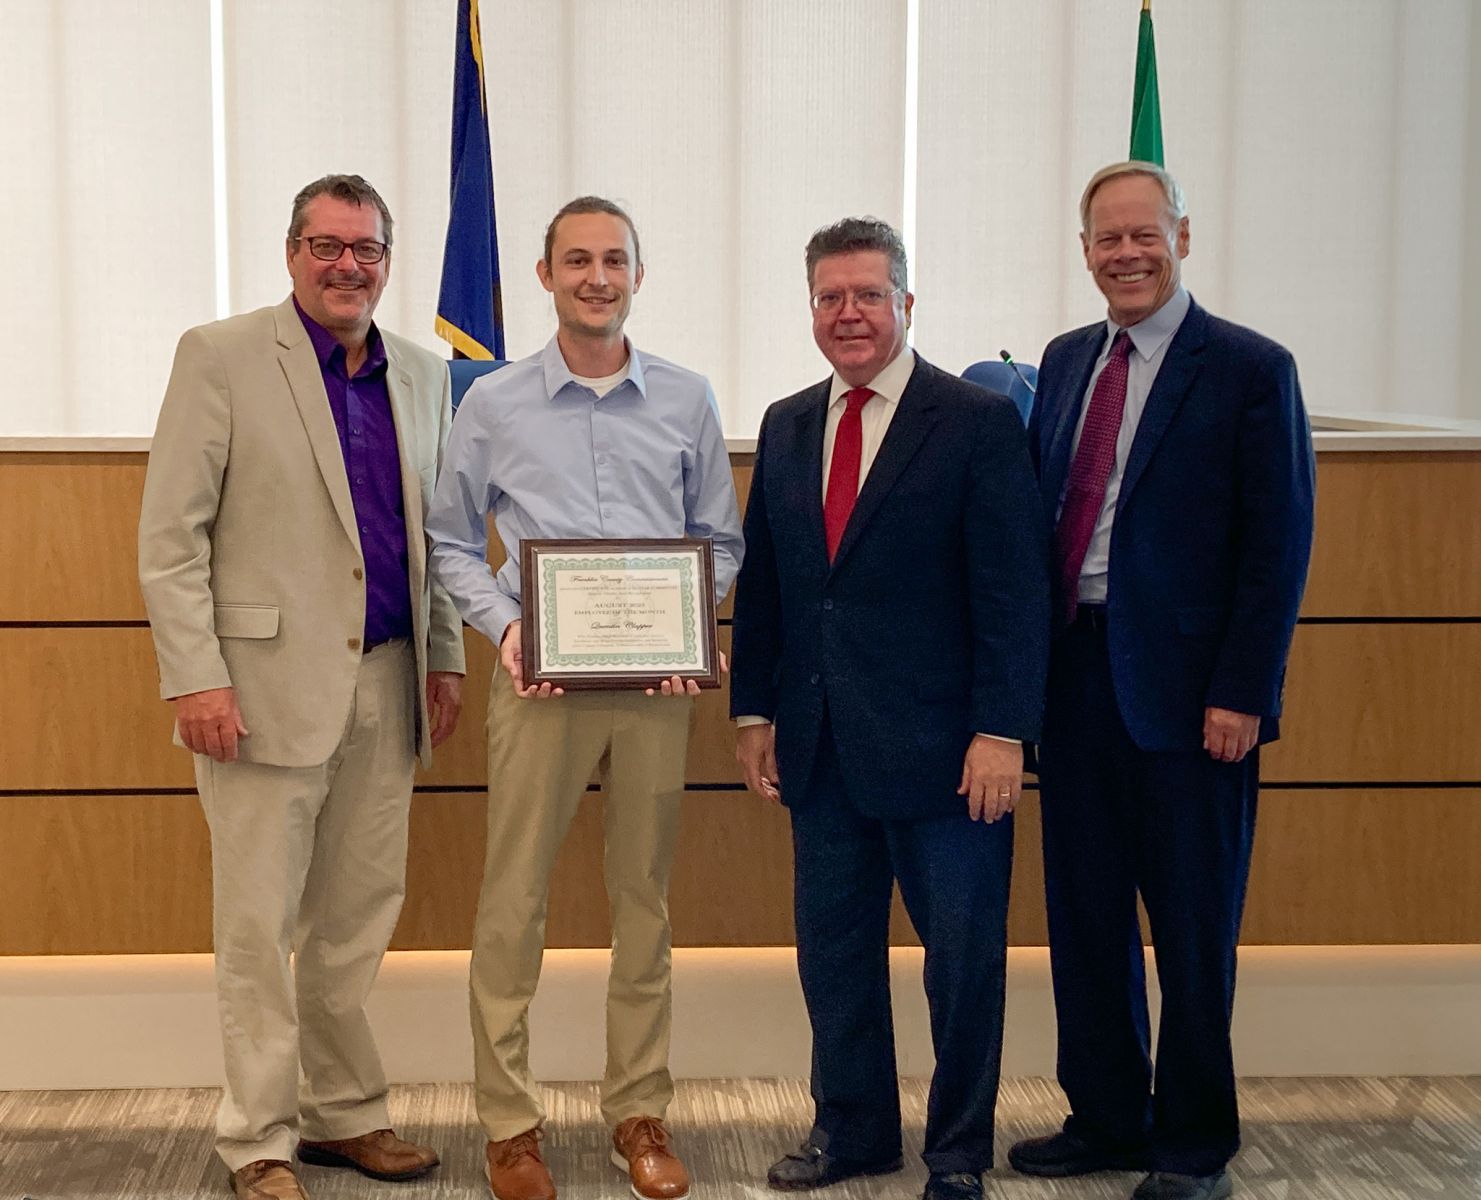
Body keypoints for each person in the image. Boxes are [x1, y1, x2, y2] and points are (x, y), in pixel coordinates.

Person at [138, 174, 466, 1200]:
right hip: (256, 690)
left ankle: (343, 1115)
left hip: (386, 680)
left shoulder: (421, 373)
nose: (347, 266)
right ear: (292, 254)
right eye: (326, 246)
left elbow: (435, 537)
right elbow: (170, 539)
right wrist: (195, 677)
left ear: (386, 263)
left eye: (366, 250)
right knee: (257, 926)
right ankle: (258, 1139)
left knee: (356, 917)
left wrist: (444, 654)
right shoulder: (222, 356)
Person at [1007, 161, 1315, 1200]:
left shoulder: (1246, 368)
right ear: (1083, 250)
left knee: (1188, 931)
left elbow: (1276, 546)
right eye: (1106, 239)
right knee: (1084, 917)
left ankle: (1191, 1142)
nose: (1126, 254)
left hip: (1192, 698)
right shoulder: (1060, 362)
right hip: (1074, 678)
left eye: (1145, 234)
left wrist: (1244, 690)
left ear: (1183, 237)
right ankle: (1105, 1116)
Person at [426, 196, 743, 1200]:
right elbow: (446, 541)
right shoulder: (494, 403)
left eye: (613, 260)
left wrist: (685, 626)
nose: (595, 277)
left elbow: (721, 543)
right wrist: (510, 628)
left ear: (638, 276)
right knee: (512, 901)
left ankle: (636, 1110)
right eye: (576, 260)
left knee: (641, 899)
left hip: (654, 689)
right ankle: (509, 1125)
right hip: (537, 680)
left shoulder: (687, 399)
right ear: (544, 274)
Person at [728, 217, 1050, 1200]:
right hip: (819, 749)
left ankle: (956, 1153)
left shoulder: (974, 422)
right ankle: (853, 1131)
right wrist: (752, 714)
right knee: (832, 956)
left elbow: (1012, 591)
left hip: (949, 755)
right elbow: (775, 589)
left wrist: (1002, 731)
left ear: (907, 305)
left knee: (959, 967)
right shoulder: (787, 423)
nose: (849, 313)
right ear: (811, 311)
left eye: (869, 294)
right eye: (830, 297)